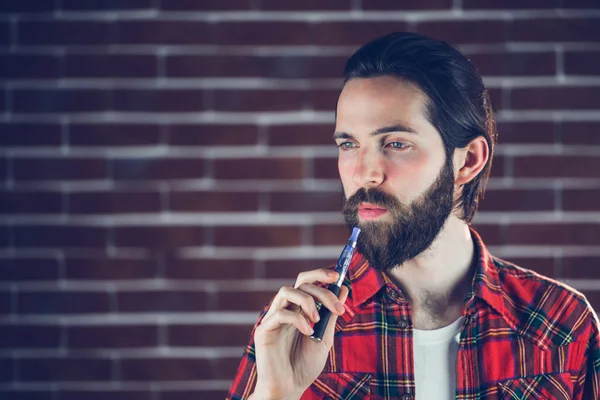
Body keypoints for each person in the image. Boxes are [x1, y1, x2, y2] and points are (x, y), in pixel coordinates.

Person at [226, 32, 600, 399]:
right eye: (349, 144)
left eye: (396, 144)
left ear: (468, 160)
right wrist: (275, 394)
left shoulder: (561, 323)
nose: (364, 173)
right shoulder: (296, 327)